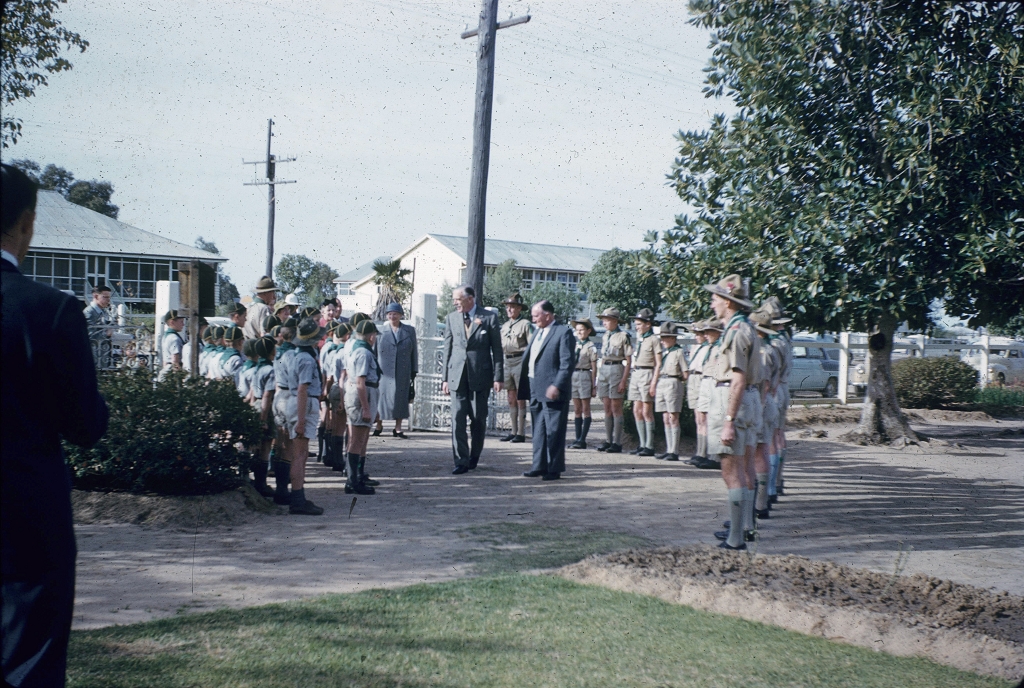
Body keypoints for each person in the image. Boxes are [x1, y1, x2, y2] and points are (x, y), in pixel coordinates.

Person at [2, 162, 109, 687]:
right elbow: (85, 425)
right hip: (24, 510)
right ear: (26, 223)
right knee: (29, 660)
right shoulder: (50, 311)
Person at [704, 275, 760, 551]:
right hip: (747, 400)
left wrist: (728, 420)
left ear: (728, 302)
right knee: (745, 467)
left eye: (715, 299)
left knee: (731, 470)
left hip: (732, 399)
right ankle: (745, 527)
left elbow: (737, 379)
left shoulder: (737, 332)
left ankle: (736, 539)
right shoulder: (744, 328)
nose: (712, 304)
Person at [441, 285, 503, 475]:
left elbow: (497, 350)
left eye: (457, 299)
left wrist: (498, 377)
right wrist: (445, 378)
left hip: (480, 376)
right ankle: (460, 460)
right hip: (457, 376)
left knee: (478, 419)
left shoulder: (489, 318)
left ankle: (474, 457)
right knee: (457, 418)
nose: (454, 303)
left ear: (470, 299)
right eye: (454, 300)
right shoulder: (451, 318)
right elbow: (447, 348)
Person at [519, 300, 575, 480]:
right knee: (538, 430)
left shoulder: (563, 332)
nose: (533, 319)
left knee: (554, 431)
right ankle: (539, 466)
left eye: (536, 316)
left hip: (553, 390)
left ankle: (554, 468)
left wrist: (557, 385)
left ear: (548, 315)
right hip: (535, 386)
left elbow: (567, 364)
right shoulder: (537, 331)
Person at [285, 317, 326, 515]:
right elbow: (303, 389)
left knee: (299, 453)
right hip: (304, 403)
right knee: (300, 455)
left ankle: (298, 495)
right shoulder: (307, 359)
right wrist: (301, 421)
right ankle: (297, 498)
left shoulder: (296, 355)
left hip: (296, 402)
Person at [345, 319, 381, 494]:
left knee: (361, 439)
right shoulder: (363, 353)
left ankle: (357, 477)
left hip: (367, 393)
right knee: (357, 440)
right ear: (371, 336)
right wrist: (366, 408)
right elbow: (360, 382)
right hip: (362, 394)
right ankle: (352, 481)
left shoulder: (358, 349)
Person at [377, 302, 418, 438]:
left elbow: (414, 351)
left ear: (400, 315)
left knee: (401, 399)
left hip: (403, 370)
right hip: (383, 372)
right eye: (390, 314)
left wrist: (414, 370)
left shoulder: (409, 330)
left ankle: (398, 428)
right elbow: (374, 352)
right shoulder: (380, 331)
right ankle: (379, 425)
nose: (392, 316)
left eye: (395, 314)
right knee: (382, 399)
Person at [595, 308, 632, 454]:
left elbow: (628, 361)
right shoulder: (605, 336)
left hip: (616, 369)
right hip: (604, 369)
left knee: (616, 406)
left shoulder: (623, 336)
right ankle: (608, 440)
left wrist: (624, 380)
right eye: (603, 320)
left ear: (615, 321)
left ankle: (617, 442)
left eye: (607, 320)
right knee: (606, 407)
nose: (604, 323)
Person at [271, 318, 298, 504]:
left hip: (278, 394)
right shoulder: (293, 354)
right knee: (288, 446)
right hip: (289, 395)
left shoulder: (278, 352)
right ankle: (282, 490)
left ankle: (280, 487)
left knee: (280, 443)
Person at [499, 292, 532, 443]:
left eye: (512, 307)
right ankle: (513, 431)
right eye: (507, 307)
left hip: (520, 361)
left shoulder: (525, 324)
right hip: (507, 361)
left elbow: (531, 345)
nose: (509, 310)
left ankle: (521, 432)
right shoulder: (505, 326)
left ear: (519, 308)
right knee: (511, 397)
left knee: (520, 397)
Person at [629, 309, 661, 457]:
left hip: (647, 374)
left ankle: (649, 445)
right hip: (636, 373)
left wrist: (654, 382)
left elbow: (658, 363)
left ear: (648, 324)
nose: (637, 327)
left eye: (639, 324)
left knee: (646, 411)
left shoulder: (654, 339)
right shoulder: (640, 338)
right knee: (637, 410)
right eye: (636, 324)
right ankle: (642, 444)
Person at [249, 335, 277, 497]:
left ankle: (256, 481)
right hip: (266, 407)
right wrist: (263, 419)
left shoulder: (257, 367)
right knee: (265, 446)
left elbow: (253, 391)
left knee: (256, 446)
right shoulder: (270, 370)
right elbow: (267, 395)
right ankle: (261, 483)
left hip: (256, 404)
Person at [694, 320, 724, 470]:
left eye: (708, 332)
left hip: (714, 381)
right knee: (702, 417)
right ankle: (702, 453)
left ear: (717, 332)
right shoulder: (709, 347)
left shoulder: (721, 347)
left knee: (714, 419)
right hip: (705, 381)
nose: (705, 335)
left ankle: (715, 456)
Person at [655, 321, 686, 461]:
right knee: (665, 417)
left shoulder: (679, 352)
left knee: (673, 417)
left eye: (665, 338)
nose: (662, 341)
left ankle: (674, 450)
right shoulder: (665, 352)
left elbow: (685, 372)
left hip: (673, 382)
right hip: (662, 381)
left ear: (673, 338)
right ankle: (669, 449)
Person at [568, 317, 598, 449]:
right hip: (574, 375)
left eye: (582, 330)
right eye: (577, 330)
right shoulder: (574, 345)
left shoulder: (590, 346)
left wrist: (593, 385)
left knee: (585, 408)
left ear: (588, 331)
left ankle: (583, 439)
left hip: (585, 375)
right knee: (577, 409)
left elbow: (594, 367)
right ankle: (577, 438)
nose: (579, 332)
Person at [685, 321, 709, 465]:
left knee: (703, 417)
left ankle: (704, 452)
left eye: (699, 334)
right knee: (698, 418)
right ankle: (699, 451)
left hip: (701, 377)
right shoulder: (695, 347)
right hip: (693, 377)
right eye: (696, 334)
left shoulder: (708, 348)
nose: (697, 336)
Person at [158, 310, 186, 381]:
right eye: (181, 321)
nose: (183, 324)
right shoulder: (174, 338)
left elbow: (165, 360)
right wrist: (178, 377)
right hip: (172, 371)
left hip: (167, 369)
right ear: (172, 322)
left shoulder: (166, 336)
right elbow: (175, 360)